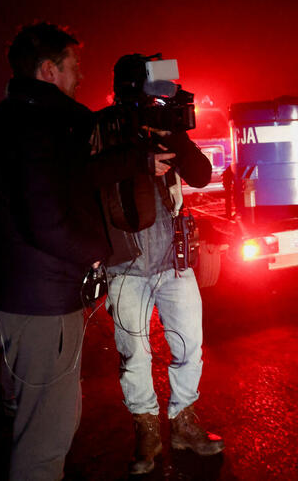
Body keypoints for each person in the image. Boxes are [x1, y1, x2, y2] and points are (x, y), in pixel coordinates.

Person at [0, 23, 166, 480]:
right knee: (47, 434)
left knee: (32, 416)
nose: (80, 75)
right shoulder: (36, 128)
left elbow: (74, 175)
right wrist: (97, 252)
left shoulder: (6, 122)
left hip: (21, 296)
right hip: (42, 307)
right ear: (48, 70)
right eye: (74, 65)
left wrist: (139, 161)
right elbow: (46, 220)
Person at [94, 53, 224, 475]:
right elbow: (83, 176)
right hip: (124, 266)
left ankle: (183, 422)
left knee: (190, 347)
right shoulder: (100, 128)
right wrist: (137, 156)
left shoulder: (166, 128)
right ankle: (146, 432)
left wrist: (176, 138)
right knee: (134, 353)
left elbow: (201, 175)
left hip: (174, 264)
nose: (155, 102)